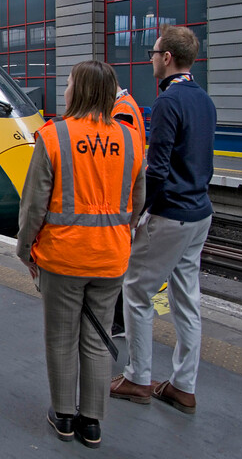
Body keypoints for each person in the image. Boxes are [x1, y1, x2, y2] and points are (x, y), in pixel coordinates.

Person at [17, 60, 145, 448]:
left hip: (62, 257)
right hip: (110, 259)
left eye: (70, 83)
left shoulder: (54, 137)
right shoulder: (130, 139)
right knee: (97, 337)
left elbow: (34, 205)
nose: (66, 89)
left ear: (82, 91)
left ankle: (65, 416)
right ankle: (92, 422)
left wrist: (25, 250)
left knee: (61, 337)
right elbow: (137, 202)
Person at [110, 24, 216, 415]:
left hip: (171, 213)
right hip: (200, 213)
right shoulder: (204, 100)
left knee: (137, 291)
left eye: (154, 53)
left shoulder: (169, 102)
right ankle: (183, 386)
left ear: (167, 58)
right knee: (187, 299)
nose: (151, 59)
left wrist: (138, 213)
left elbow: (157, 166)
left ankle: (138, 377)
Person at [109, 85, 147, 338]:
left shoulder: (122, 110)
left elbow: (119, 149)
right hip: (129, 191)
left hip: (124, 193)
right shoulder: (128, 103)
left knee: (121, 266)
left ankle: (119, 323)